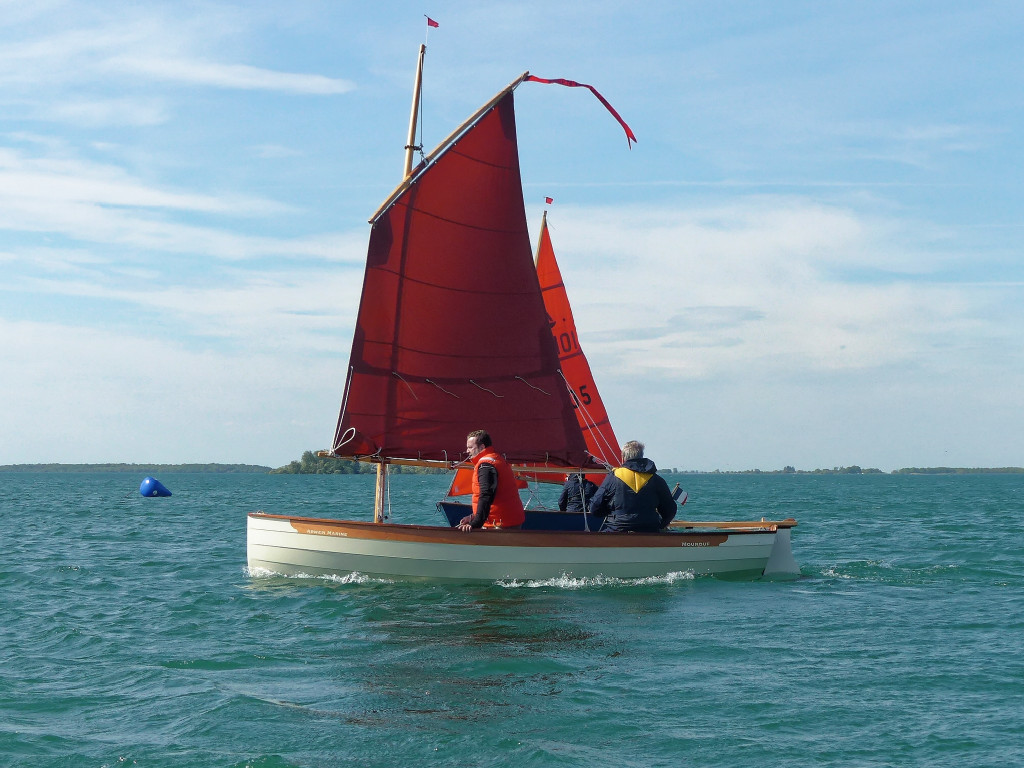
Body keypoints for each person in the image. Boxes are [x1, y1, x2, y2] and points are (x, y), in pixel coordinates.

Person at [589, 440, 676, 532]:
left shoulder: (613, 477)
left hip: (618, 529)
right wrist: (661, 525)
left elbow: (594, 507)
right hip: (649, 530)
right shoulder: (656, 479)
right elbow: (670, 509)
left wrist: (608, 512)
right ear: (641, 456)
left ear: (623, 457)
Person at [457, 430, 526, 531]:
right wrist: (473, 516)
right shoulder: (496, 459)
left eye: (470, 447)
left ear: (482, 447)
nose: (467, 451)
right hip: (508, 521)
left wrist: (475, 523)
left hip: (499, 524)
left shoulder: (486, 465)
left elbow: (486, 495)